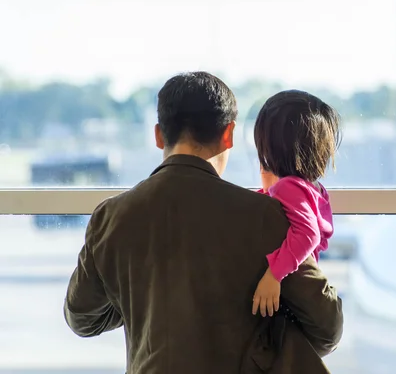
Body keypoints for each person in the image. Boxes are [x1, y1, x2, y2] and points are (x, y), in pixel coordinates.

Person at [63, 71, 343, 374]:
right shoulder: (263, 215)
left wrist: (142, 294)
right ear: (228, 135)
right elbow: (327, 328)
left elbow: (82, 318)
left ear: (158, 135)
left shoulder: (111, 217)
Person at [251, 90, 341, 320]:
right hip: (312, 289)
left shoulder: (287, 188)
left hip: (294, 291)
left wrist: (273, 275)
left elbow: (308, 234)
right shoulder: (313, 188)